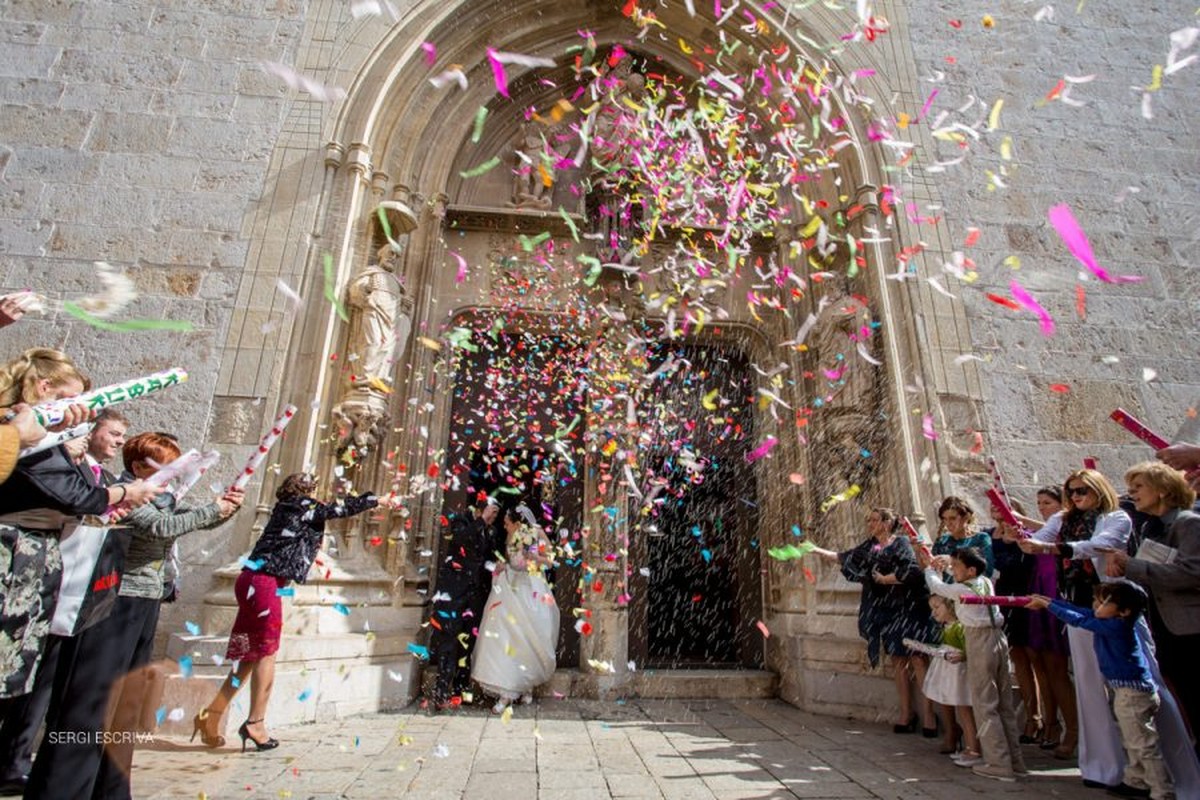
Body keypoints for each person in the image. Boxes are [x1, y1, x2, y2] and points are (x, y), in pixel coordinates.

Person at [26, 432, 243, 800]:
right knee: (92, 700)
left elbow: (180, 521)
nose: (176, 472)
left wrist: (221, 510)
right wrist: (212, 511)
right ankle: (63, 789)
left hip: (145, 600)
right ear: (141, 465)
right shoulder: (123, 491)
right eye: (168, 464)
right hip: (113, 600)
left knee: (125, 702)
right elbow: (161, 527)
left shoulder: (155, 495)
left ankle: (110, 789)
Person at [1019, 469, 1200, 791]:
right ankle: (1103, 767)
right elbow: (1041, 538)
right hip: (1079, 603)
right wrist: (1024, 537)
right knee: (1088, 686)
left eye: (1082, 491)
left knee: (1146, 686)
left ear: (1099, 490)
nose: (1075, 497)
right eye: (1071, 491)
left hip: (1116, 610)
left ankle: (1177, 773)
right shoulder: (1064, 520)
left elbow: (1099, 545)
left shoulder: (1116, 517)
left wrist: (1051, 549)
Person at [197, 473, 382, 751]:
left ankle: (211, 715)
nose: (317, 496)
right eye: (314, 490)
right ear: (305, 491)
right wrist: (376, 499)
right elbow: (340, 509)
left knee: (248, 656)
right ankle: (255, 723)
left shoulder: (287, 509)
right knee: (266, 653)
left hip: (251, 580)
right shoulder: (300, 506)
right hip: (264, 584)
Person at [1028, 583, 1173, 800]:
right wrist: (1049, 602)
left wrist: (1049, 607)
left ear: (1124, 611)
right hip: (1126, 692)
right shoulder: (1109, 620)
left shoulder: (1117, 626)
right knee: (1132, 739)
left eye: (1105, 602)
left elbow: (1080, 619)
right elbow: (1081, 612)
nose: (1097, 605)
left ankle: (1162, 791)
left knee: (1143, 744)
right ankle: (1136, 780)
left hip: (1133, 694)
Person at [810, 508, 940, 736]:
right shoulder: (869, 546)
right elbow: (845, 557)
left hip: (909, 607)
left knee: (918, 659)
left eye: (874, 519)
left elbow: (912, 571)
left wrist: (885, 579)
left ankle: (929, 715)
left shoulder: (901, 543)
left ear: (888, 522)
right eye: (867, 519)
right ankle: (906, 712)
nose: (869, 523)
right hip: (886, 609)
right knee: (898, 661)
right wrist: (816, 549)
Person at [1107, 462, 1200, 739]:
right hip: (1163, 625)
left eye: (1139, 487)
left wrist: (1131, 566)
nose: (1132, 493)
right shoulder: (1151, 528)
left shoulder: (1188, 523)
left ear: (1161, 490)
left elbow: (1192, 573)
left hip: (1189, 627)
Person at [921, 546, 1025, 782]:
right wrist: (946, 563)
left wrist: (930, 569)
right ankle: (1015, 761)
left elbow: (938, 588)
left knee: (985, 703)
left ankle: (998, 763)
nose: (953, 569)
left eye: (957, 566)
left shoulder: (961, 587)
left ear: (970, 569)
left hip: (978, 639)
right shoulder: (985, 581)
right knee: (1004, 704)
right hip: (998, 637)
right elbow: (957, 575)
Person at [470, 504, 560, 713]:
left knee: (527, 639)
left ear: (518, 522)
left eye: (507, 523)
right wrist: (504, 566)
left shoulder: (536, 533)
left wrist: (535, 558)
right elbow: (513, 562)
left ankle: (524, 685)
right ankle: (508, 690)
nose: (505, 526)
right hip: (510, 588)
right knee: (504, 636)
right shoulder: (510, 538)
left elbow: (550, 561)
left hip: (531, 590)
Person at [428, 495, 501, 710]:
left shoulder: (490, 531)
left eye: (496, 515)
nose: (493, 518)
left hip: (473, 595)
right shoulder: (461, 521)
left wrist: (495, 567)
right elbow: (460, 540)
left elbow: (484, 559)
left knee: (466, 642)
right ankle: (441, 692)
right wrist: (481, 521)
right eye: (492, 512)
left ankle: (460, 692)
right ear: (482, 509)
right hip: (453, 593)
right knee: (448, 641)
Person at [1024, 486, 1077, 755]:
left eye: (1047, 502)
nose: (1043, 507)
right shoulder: (1049, 527)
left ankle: (1073, 731)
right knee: (1041, 662)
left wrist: (1017, 520)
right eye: (1039, 503)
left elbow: (1042, 537)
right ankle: (1050, 722)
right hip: (1040, 590)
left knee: (1058, 666)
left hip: (1056, 591)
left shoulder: (1065, 526)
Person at [987, 501, 1041, 744]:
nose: (994, 509)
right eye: (992, 505)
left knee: (1033, 659)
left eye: (1000, 505)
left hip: (1022, 597)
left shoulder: (1023, 535)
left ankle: (1037, 718)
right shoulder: (988, 535)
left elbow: (1026, 564)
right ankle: (1027, 717)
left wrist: (1015, 541)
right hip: (999, 601)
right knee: (1017, 659)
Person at [923, 594, 981, 767]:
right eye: (932, 609)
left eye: (937, 607)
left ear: (950, 606)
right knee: (960, 710)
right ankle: (969, 747)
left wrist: (962, 655)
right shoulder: (948, 627)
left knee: (965, 710)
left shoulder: (959, 627)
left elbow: (968, 650)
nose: (933, 613)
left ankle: (974, 749)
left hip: (960, 673)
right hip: (951, 671)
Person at [932, 496, 994, 577]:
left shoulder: (981, 539)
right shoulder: (942, 541)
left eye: (953, 518)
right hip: (945, 588)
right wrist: (918, 552)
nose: (948, 523)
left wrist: (952, 561)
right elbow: (930, 570)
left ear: (966, 517)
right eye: (945, 519)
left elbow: (987, 571)